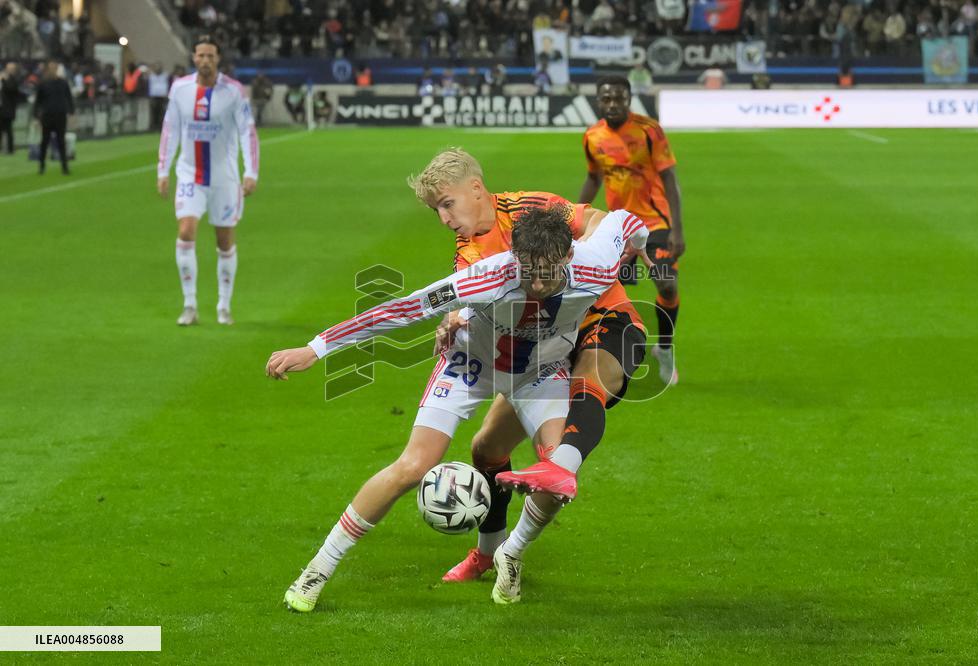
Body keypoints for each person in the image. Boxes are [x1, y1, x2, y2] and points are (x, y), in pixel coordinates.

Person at [270, 206, 649, 610]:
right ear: (512, 256)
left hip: (540, 372)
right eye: (527, 270)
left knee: (557, 473)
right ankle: (318, 569)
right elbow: (401, 310)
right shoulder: (486, 277)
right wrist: (316, 347)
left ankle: (512, 553)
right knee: (413, 466)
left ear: (569, 256)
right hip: (470, 366)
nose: (536, 283)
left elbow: (628, 220)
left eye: (547, 272)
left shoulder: (596, 263)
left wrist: (640, 247)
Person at [410, 149, 649, 583]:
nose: (445, 218)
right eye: (437, 210)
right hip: (544, 349)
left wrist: (618, 246)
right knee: (486, 449)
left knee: (572, 416)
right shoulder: (469, 251)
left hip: (599, 318)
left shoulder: (530, 207)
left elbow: (594, 218)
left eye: (447, 204)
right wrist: (455, 317)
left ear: (475, 189)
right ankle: (488, 554)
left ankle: (513, 554)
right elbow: (477, 302)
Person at [580, 76, 685, 385]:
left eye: (618, 98)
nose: (613, 104)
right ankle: (608, 355)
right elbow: (593, 179)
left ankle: (664, 348)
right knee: (612, 293)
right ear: (599, 100)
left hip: (655, 223)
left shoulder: (649, 131)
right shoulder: (592, 136)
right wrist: (572, 217)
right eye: (606, 99)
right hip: (618, 226)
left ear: (628, 98)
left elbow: (670, 180)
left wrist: (677, 228)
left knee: (666, 285)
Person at [157, 35, 259, 326]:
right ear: (193, 57)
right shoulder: (180, 89)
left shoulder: (235, 92)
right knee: (186, 231)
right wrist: (163, 170)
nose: (205, 61)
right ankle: (189, 305)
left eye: (210, 56)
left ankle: (223, 305)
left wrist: (250, 172)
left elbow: (247, 133)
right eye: (200, 55)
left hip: (225, 178)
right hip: (190, 174)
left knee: (224, 240)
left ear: (218, 59)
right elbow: (170, 130)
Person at [33, 60, 74, 175]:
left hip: (60, 115)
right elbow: (38, 100)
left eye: (55, 68)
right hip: (47, 116)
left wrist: (71, 111)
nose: (53, 70)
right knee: (44, 142)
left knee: (61, 141)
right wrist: (36, 115)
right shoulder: (43, 83)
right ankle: (41, 166)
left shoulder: (63, 83)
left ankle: (64, 167)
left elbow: (69, 97)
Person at [1, 62, 23, 154]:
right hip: (1, 108)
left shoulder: (14, 79)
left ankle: (10, 149)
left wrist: (4, 80)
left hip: (8, 109)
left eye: (11, 68)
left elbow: (11, 90)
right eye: (8, 68)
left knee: (8, 129)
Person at [148, 63, 170, 130]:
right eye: (156, 67)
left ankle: (161, 127)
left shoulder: (165, 76)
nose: (157, 69)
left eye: (159, 67)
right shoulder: (151, 76)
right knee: (154, 112)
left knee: (162, 112)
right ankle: (153, 126)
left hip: (162, 97)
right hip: (154, 97)